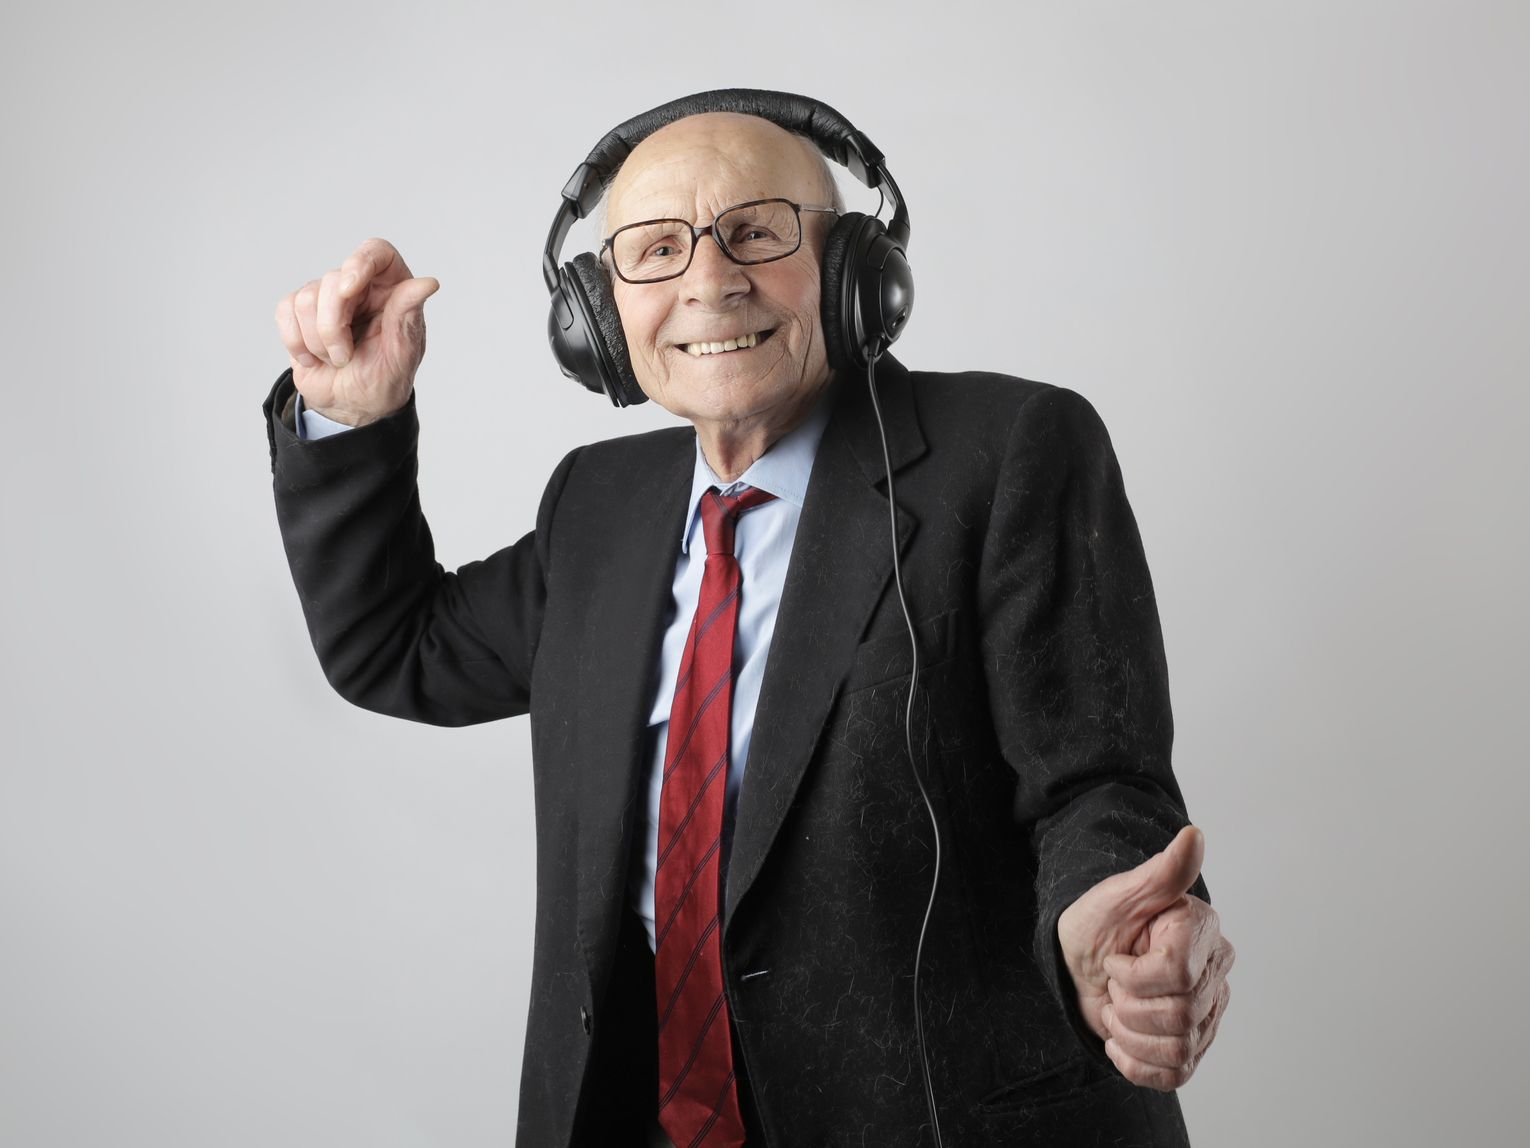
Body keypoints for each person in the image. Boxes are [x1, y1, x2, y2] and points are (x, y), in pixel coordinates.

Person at [264, 90, 1234, 1148]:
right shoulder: (597, 504)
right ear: (596, 313)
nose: (709, 282)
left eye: (758, 233)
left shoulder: (1009, 453)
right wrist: (351, 417)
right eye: (656, 249)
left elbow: (1096, 778)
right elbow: (397, 647)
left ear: (855, 271)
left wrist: (1105, 920)